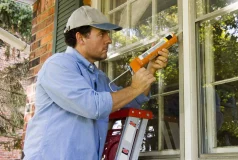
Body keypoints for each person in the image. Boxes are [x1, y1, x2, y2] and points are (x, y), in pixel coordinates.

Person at [23, 6, 169, 160]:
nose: (109, 39)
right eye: (102, 33)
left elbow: (131, 102)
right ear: (80, 38)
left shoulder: (99, 77)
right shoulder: (58, 65)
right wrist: (134, 88)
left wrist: (150, 70)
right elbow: (93, 106)